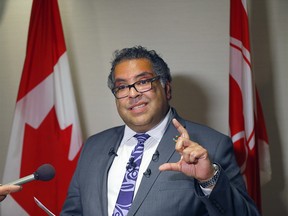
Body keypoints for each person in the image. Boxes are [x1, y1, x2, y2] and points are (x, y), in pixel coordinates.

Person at [61, 46, 260, 215]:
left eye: (143, 82)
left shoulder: (212, 144)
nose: (132, 93)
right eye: (122, 87)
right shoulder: (93, 146)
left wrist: (209, 179)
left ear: (167, 89)